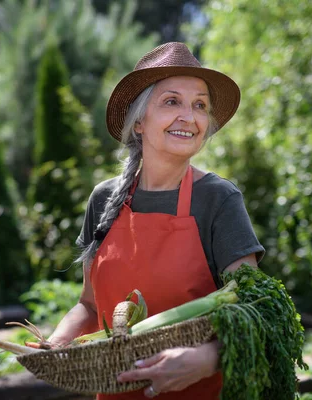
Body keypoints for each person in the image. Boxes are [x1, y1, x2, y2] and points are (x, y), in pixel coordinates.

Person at [45, 42, 264, 399]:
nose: (189, 116)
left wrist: (208, 359)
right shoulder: (103, 200)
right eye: (171, 101)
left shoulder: (218, 199)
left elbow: (257, 312)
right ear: (139, 123)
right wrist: (57, 342)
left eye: (200, 105)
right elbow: (89, 304)